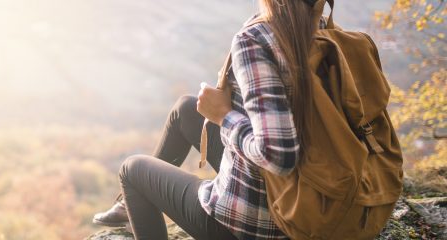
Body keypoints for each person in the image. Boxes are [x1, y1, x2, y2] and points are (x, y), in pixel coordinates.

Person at [93, 0, 323, 239]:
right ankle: (126, 206)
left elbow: (279, 154)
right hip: (302, 198)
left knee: (131, 170)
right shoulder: (326, 32)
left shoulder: (258, 39)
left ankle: (136, 197)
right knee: (186, 109)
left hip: (252, 225)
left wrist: (224, 116)